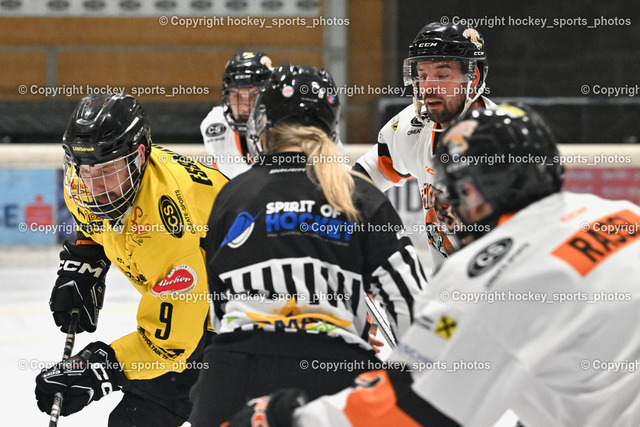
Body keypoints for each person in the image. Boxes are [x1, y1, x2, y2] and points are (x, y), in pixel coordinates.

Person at [229, 105, 640, 426]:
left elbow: (408, 406)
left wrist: (288, 416)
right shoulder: (620, 213)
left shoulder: (489, 275)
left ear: (472, 191)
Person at [188, 63, 428, 426]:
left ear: (265, 123)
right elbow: (411, 304)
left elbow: (220, 308)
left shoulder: (232, 196)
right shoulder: (360, 195)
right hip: (335, 374)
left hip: (233, 375)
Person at [34, 93, 228, 426]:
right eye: (86, 170)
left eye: (107, 170)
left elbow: (171, 345)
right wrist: (85, 259)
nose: (95, 186)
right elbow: (94, 224)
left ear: (138, 156)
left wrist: (98, 368)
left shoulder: (165, 226)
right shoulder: (83, 185)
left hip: (254, 321)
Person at [352, 22, 494, 274]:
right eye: (422, 74)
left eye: (441, 75)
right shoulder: (412, 126)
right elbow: (361, 181)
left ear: (473, 78)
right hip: (447, 288)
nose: (428, 87)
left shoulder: (503, 143)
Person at [200, 50, 274, 178]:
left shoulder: (286, 125)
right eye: (237, 96)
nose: (245, 106)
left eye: (254, 95)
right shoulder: (215, 124)